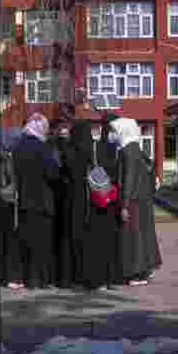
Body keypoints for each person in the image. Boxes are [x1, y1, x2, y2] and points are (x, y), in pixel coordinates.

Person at [66, 120, 118, 290]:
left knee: (78, 241)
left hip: (77, 202)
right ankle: (100, 279)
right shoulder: (95, 149)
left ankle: (81, 279)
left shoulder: (70, 152)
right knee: (96, 243)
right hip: (96, 201)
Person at [110, 117, 162, 286]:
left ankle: (135, 273)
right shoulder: (136, 149)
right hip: (143, 199)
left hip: (132, 201)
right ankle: (145, 270)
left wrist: (124, 204)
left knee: (133, 237)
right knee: (144, 235)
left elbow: (128, 178)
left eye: (115, 132)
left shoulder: (126, 152)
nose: (113, 135)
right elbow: (149, 167)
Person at [11, 113, 60, 289]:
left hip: (24, 200)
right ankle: (40, 279)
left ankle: (27, 278)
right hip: (42, 201)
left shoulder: (17, 147)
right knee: (42, 244)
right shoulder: (43, 148)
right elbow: (53, 174)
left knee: (27, 242)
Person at [94, 112, 124, 286]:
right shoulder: (118, 148)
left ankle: (103, 275)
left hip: (100, 195)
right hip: (113, 197)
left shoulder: (96, 147)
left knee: (102, 238)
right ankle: (113, 276)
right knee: (113, 239)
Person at [49, 119, 78, 288]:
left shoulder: (52, 147)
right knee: (64, 238)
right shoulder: (68, 150)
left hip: (56, 197)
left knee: (57, 238)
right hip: (64, 198)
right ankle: (65, 277)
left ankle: (57, 275)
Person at [0, 128, 25, 290]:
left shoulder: (3, 155)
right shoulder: (6, 157)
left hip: (3, 203)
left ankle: (5, 277)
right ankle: (10, 277)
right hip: (8, 203)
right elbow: (9, 182)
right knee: (10, 242)